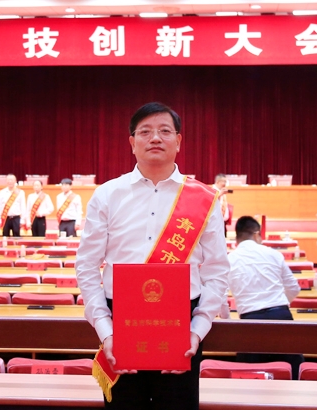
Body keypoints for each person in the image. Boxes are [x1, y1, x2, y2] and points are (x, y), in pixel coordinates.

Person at [75, 102, 229, 409]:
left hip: (182, 327)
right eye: (145, 132)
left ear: (178, 141)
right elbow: (87, 265)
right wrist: (106, 331)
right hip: (120, 325)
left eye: (164, 131)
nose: (155, 138)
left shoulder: (204, 199)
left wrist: (196, 331)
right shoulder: (107, 194)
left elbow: (217, 270)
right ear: (132, 142)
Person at [221, 216, 303, 378]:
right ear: (257, 234)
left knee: (249, 378)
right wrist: (280, 304)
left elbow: (221, 298)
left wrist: (228, 322)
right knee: (292, 374)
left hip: (249, 322)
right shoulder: (273, 254)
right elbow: (294, 288)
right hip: (281, 317)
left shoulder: (229, 260)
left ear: (237, 239)